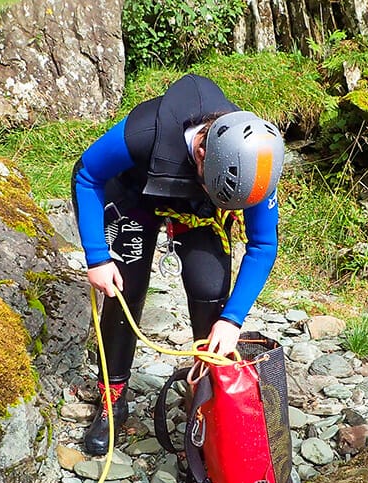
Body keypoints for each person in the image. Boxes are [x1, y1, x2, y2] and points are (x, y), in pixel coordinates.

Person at [71, 74, 284, 455]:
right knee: (125, 289)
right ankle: (112, 396)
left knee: (209, 289)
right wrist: (97, 258)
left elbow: (263, 244)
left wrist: (232, 320)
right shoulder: (144, 132)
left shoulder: (253, 163)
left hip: (198, 212)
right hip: (137, 197)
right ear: (202, 155)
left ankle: (207, 396)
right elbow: (87, 175)